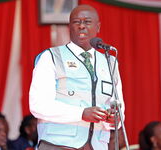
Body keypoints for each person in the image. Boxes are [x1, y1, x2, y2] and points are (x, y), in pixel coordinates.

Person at [29, 4, 125, 150]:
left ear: (98, 27)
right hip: (59, 145)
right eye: (76, 22)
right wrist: (81, 113)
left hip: (97, 146)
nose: (81, 26)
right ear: (70, 27)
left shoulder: (110, 62)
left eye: (87, 22)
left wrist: (113, 119)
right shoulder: (51, 57)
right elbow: (38, 105)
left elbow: (119, 109)